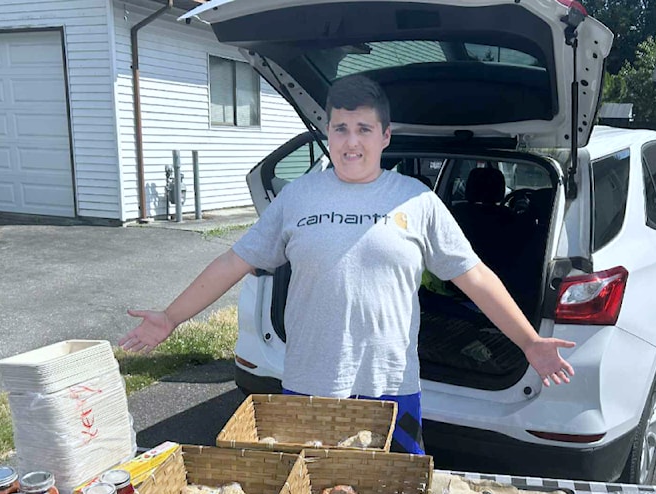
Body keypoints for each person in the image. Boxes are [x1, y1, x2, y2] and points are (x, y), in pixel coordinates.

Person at [120, 75, 575, 455]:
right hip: (310, 382)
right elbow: (233, 260)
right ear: (328, 132)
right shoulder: (299, 196)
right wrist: (170, 317)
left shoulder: (416, 200)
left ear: (385, 135)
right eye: (340, 128)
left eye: (363, 128)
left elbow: (473, 276)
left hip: (392, 384)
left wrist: (530, 342)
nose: (351, 141)